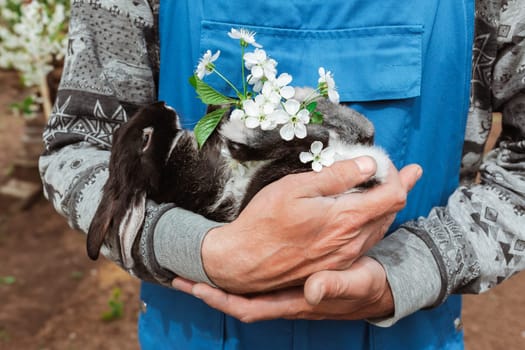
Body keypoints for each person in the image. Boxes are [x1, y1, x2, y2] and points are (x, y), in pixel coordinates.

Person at [39, 0, 525, 349]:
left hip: (404, 334)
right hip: (196, 330)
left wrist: (405, 270)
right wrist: (200, 250)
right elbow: (76, 146)